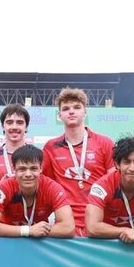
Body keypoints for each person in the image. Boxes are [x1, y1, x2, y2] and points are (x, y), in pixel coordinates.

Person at [41, 87, 115, 236]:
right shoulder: (50, 147)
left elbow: (114, 182)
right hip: (66, 226)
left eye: (77, 107)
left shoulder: (104, 143)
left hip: (99, 223)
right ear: (59, 115)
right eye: (66, 108)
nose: (71, 111)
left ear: (85, 112)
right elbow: (45, 185)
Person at [0, 145, 74, 238]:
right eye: (22, 169)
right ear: (14, 170)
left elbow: (68, 228)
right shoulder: (4, 188)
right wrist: (28, 230)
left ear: (41, 168)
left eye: (33, 168)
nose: (28, 174)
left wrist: (39, 231)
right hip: (8, 240)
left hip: (38, 242)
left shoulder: (52, 188)